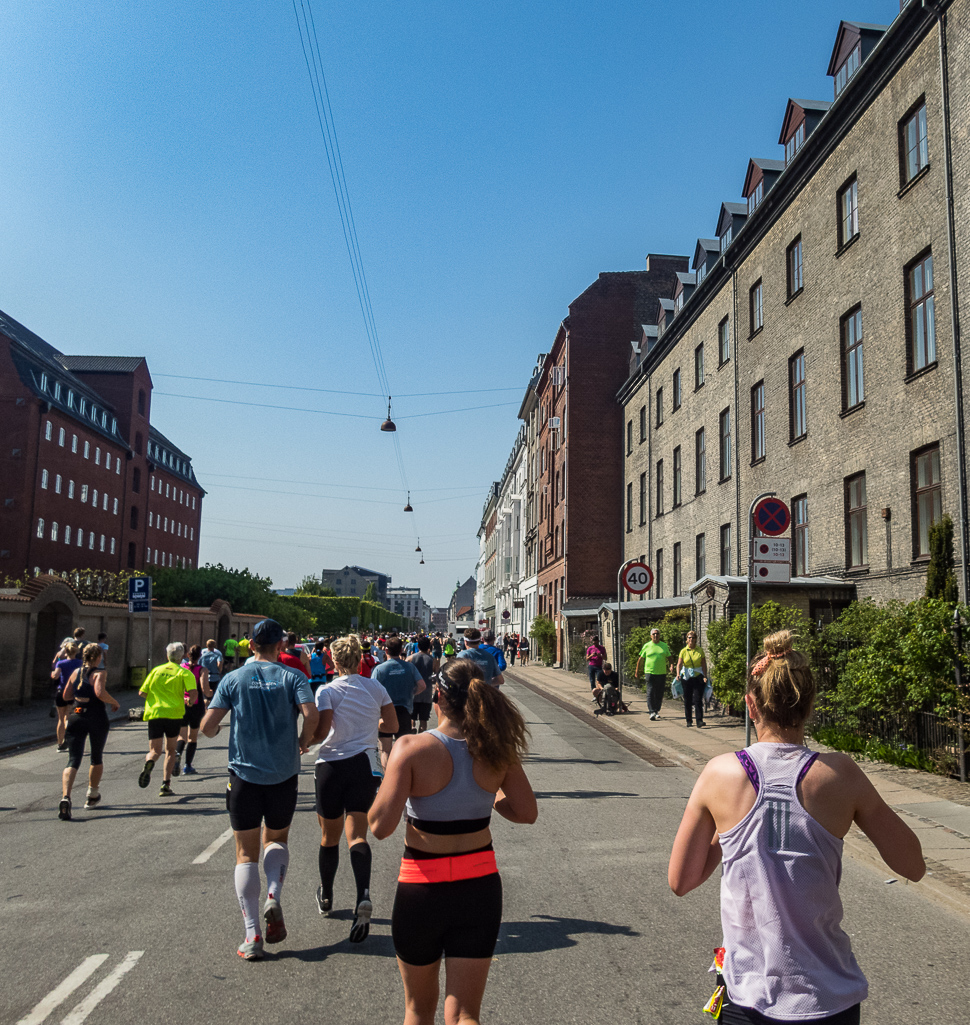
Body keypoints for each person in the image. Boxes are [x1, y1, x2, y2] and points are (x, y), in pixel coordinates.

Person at [668, 630, 926, 1025]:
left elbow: (681, 880)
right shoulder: (839, 774)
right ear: (809, 705)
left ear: (750, 705)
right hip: (829, 998)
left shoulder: (719, 773)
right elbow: (913, 865)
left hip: (748, 997)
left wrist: (727, 834)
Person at [369, 659, 538, 1025]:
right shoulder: (497, 749)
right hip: (478, 885)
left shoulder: (411, 748)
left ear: (438, 694)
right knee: (464, 1013)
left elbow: (380, 826)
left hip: (422, 887)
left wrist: (390, 782)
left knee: (418, 1009)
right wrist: (486, 797)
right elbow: (526, 811)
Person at [201, 618, 318, 960]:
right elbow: (310, 714)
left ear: (251, 645)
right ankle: (273, 895)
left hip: (244, 776)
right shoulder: (293, 677)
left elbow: (208, 728)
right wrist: (302, 740)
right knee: (277, 840)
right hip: (283, 774)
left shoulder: (234, 679)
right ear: (281, 646)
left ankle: (252, 935)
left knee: (244, 854)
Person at [311, 634, 398, 943]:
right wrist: (368, 726)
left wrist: (304, 743)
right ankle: (363, 893)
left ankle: (327, 895)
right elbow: (391, 725)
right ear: (361, 659)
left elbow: (322, 731)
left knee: (328, 836)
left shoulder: (327, 691)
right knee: (357, 834)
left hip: (332, 765)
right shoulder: (376, 687)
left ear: (333, 661)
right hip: (364, 764)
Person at [58, 642, 120, 819]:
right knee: (96, 756)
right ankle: (92, 796)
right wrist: (114, 702)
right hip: (96, 716)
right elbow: (100, 692)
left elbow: (66, 696)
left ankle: (66, 797)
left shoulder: (76, 673)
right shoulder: (99, 673)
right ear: (99, 657)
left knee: (73, 759)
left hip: (77, 716)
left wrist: (80, 699)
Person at [137, 642, 198, 797]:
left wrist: (155, 697)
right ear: (182, 656)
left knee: (154, 750)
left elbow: (142, 692)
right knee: (171, 750)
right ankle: (165, 784)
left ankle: (149, 762)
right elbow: (193, 694)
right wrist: (189, 702)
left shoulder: (156, 670)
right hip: (174, 714)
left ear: (167, 655)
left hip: (155, 713)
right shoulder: (184, 672)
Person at [374, 638, 426, 765]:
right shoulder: (409, 667)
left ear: (386, 650)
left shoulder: (380, 669)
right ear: (402, 650)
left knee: (385, 750)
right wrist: (411, 693)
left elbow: (373, 691)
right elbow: (422, 685)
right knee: (402, 749)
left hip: (385, 712)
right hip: (404, 711)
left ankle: (386, 777)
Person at [175, 644, 213, 776]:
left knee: (181, 736)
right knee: (193, 737)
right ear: (200, 656)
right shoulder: (202, 670)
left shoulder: (181, 668)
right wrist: (211, 694)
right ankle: (187, 766)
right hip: (196, 705)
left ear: (187, 655)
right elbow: (204, 689)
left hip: (182, 704)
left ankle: (177, 754)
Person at [635, 627, 673, 721]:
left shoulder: (664, 646)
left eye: (657, 634)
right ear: (651, 636)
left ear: (659, 635)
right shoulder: (647, 646)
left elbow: (669, 657)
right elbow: (640, 659)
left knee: (659, 692)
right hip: (649, 672)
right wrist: (637, 671)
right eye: (654, 634)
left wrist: (671, 665)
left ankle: (656, 711)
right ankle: (651, 711)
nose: (655, 635)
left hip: (661, 672)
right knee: (650, 691)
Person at [51, 642, 82, 751]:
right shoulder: (80, 663)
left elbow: (55, 676)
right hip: (73, 693)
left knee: (60, 718)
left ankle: (60, 744)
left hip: (61, 692)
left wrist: (52, 673)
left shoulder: (61, 663)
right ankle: (69, 740)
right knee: (69, 717)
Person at [676, 630, 709, 728]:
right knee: (688, 699)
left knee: (698, 699)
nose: (691, 639)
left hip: (698, 676)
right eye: (689, 638)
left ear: (695, 640)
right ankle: (689, 721)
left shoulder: (700, 650)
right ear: (687, 640)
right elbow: (679, 664)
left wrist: (705, 676)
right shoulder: (683, 651)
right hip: (686, 677)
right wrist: (678, 674)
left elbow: (703, 664)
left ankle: (699, 721)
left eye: (693, 638)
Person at [409, 636, 437, 734]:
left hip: (413, 691)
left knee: (412, 716)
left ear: (418, 646)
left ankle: (412, 728)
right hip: (427, 692)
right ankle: (421, 734)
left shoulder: (410, 658)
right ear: (429, 646)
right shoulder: (433, 660)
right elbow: (436, 676)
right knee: (424, 719)